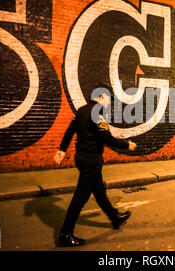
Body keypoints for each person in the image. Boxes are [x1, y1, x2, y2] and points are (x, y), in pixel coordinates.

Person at [53, 82, 137, 247]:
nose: (109, 102)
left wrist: (62, 149)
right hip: (91, 160)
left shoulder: (81, 110)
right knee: (80, 198)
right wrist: (127, 144)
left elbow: (70, 131)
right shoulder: (97, 114)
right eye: (108, 98)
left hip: (82, 157)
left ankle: (114, 218)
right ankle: (65, 234)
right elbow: (107, 138)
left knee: (99, 191)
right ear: (101, 95)